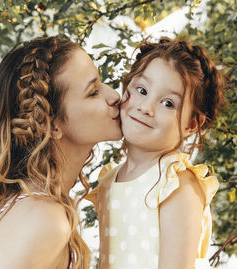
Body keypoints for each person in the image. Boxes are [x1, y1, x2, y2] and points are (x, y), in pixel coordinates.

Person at [0, 36, 122, 269]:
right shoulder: (44, 219)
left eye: (101, 83)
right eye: (93, 92)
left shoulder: (26, 204)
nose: (114, 96)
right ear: (50, 125)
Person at [87, 37, 225, 269]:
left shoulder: (175, 185)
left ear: (192, 124)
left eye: (168, 103)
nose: (146, 107)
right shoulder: (109, 180)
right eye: (141, 90)